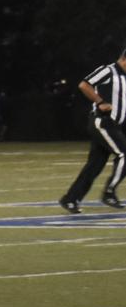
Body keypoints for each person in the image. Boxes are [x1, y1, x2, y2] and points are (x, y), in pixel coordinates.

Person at [57, 47, 126, 214]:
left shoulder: (124, 77)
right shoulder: (108, 70)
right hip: (103, 122)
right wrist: (100, 101)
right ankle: (109, 192)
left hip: (115, 125)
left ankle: (71, 199)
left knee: (94, 166)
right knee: (124, 154)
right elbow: (84, 84)